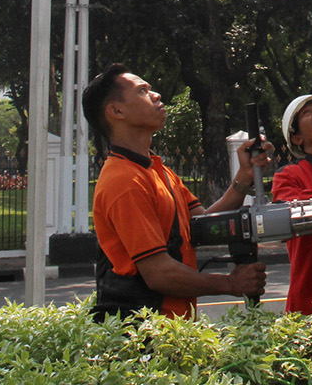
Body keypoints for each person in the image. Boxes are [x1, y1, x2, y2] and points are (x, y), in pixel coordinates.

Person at [82, 62, 270, 320]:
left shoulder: (156, 170)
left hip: (170, 332)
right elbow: (159, 273)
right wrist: (229, 283)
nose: (156, 95)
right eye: (142, 91)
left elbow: (200, 225)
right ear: (116, 111)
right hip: (143, 338)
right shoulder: (123, 181)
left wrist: (243, 177)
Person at [270, 91, 312, 314]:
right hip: (309, 304)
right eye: (309, 112)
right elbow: (290, 215)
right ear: (297, 138)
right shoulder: (289, 176)